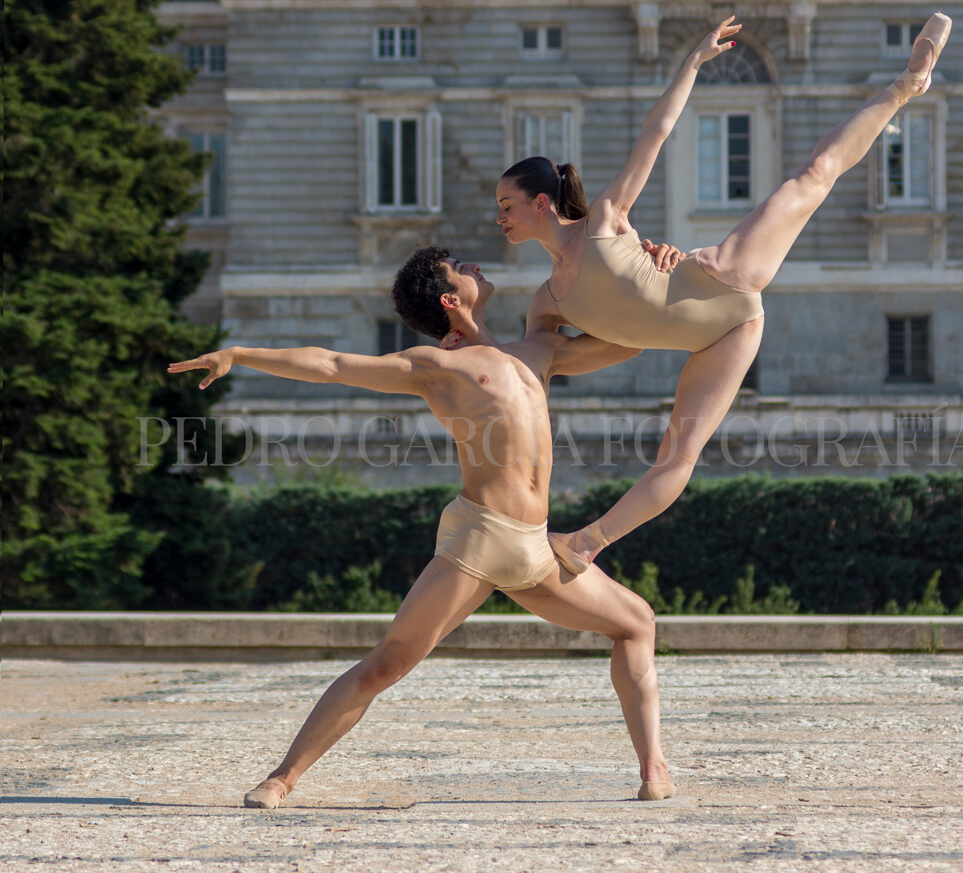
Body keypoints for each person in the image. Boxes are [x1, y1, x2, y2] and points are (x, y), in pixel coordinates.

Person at [168, 247, 679, 807]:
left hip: (536, 547)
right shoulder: (439, 367)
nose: (478, 263)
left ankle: (654, 769)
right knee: (386, 663)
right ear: (449, 298)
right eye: (464, 265)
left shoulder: (539, 351)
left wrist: (652, 267)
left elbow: (634, 337)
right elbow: (332, 365)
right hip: (479, 538)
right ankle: (281, 778)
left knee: (637, 623)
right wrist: (239, 354)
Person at [494, 12, 953, 573]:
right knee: (677, 455)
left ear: (541, 203)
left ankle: (907, 84)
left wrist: (692, 61)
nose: (501, 219)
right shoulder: (546, 303)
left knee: (813, 174)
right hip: (730, 334)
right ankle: (586, 543)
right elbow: (535, 367)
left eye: (506, 206)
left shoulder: (605, 221)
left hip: (724, 277)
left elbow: (655, 133)